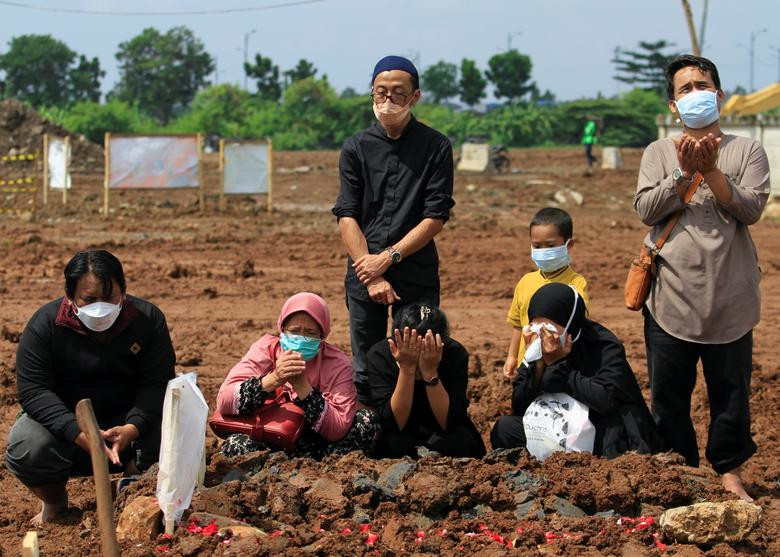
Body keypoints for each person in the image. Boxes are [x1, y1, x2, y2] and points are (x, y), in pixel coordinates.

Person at [635, 54, 769, 501]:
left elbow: (751, 209)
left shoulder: (747, 150)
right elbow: (646, 210)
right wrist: (684, 171)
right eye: (685, 89)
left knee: (731, 392)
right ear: (673, 105)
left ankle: (730, 473)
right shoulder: (658, 152)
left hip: (731, 295)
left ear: (720, 95)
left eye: (702, 86)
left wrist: (711, 169)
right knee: (669, 394)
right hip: (671, 295)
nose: (695, 94)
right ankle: (682, 474)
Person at [5, 250, 176, 525]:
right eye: (89, 299)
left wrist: (133, 427)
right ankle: (54, 503)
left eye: (109, 297)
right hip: (66, 432)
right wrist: (77, 431)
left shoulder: (147, 320)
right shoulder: (44, 326)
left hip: (128, 429)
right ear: (69, 295)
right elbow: (34, 392)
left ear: (123, 290)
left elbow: (156, 383)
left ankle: (133, 488)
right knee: (29, 445)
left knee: (176, 429)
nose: (100, 307)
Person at [332, 55, 455, 403]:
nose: (388, 101)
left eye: (398, 93)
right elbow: (347, 215)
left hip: (415, 272)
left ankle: (412, 425)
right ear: (371, 93)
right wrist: (371, 273)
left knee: (417, 353)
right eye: (380, 92)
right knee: (365, 363)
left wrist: (387, 258)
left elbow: (435, 217)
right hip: (363, 271)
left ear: (415, 97)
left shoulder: (436, 146)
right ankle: (369, 424)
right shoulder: (355, 148)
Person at [491, 283, 662, 458]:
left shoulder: (603, 345)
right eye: (536, 327)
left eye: (549, 328)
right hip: (554, 426)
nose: (543, 335)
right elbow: (519, 407)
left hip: (595, 427)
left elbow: (606, 401)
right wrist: (539, 366)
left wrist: (558, 364)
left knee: (619, 433)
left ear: (569, 323)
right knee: (505, 429)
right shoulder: (536, 348)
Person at [215, 292, 380, 458]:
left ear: (322, 335)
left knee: (366, 422)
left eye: (310, 333)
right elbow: (225, 401)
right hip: (267, 438)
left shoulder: (336, 362)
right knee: (236, 444)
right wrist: (274, 379)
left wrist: (303, 388)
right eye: (294, 331)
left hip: (317, 449)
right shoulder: (265, 349)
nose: (301, 338)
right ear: (282, 329)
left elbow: (337, 428)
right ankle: (272, 467)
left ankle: (314, 470)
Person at [366, 304, 486, 458]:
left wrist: (430, 372)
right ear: (397, 340)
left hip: (441, 429)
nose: (419, 351)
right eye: (411, 344)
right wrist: (407, 369)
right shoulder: (380, 355)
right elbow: (394, 423)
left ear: (442, 341)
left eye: (428, 345)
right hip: (400, 430)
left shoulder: (454, 353)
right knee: (393, 445)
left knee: (459, 442)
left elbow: (449, 422)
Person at [502, 208, 589, 380]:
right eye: (537, 246)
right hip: (527, 364)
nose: (543, 251)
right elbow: (518, 325)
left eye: (550, 246)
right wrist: (512, 357)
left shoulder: (576, 283)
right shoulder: (525, 282)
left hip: (560, 365)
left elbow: (579, 323)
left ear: (568, 245)